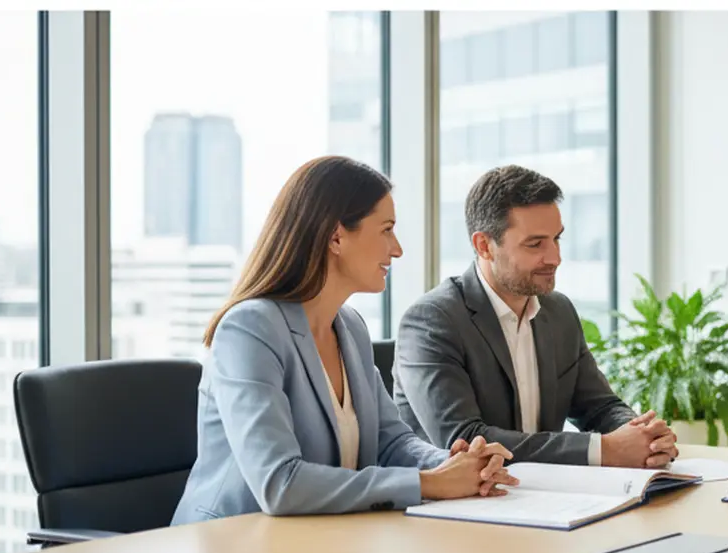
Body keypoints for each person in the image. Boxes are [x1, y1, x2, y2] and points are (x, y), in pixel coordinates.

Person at [171, 156, 518, 526]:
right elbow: (279, 483)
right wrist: (429, 483)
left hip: (321, 541)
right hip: (231, 549)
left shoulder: (349, 327)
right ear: (336, 236)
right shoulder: (249, 329)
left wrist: (455, 464)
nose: (397, 249)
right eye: (386, 230)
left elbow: (391, 442)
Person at [392, 165, 677, 467]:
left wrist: (642, 436)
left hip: (543, 499)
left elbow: (599, 407)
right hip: (455, 504)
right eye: (535, 244)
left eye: (557, 239)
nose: (555, 257)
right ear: (484, 246)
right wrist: (604, 450)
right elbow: (464, 439)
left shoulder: (559, 312)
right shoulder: (431, 321)